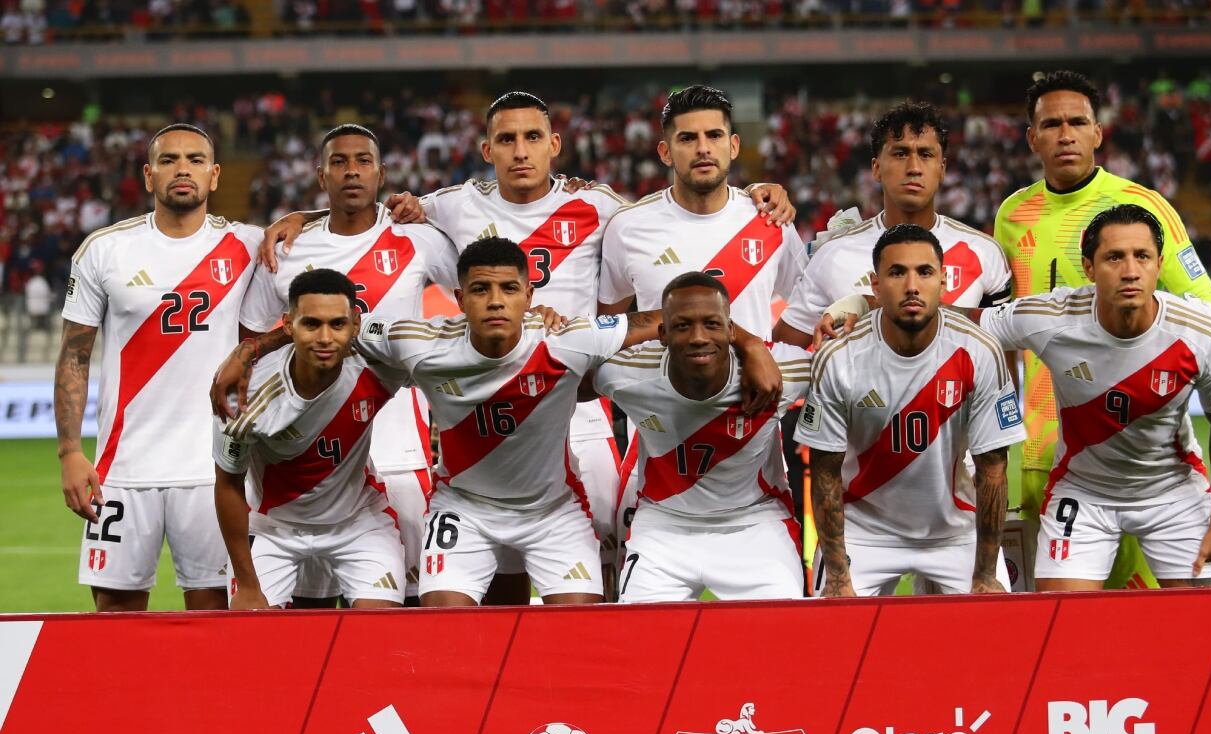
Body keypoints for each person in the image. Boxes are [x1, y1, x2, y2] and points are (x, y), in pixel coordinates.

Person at [259, 90, 798, 605]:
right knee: (499, 575)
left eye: (533, 137)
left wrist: (757, 190)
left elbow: (681, 209)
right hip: (491, 400)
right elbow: (364, 212)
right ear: (486, 149)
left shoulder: (601, 207)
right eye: (507, 139)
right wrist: (303, 221)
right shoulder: (453, 206)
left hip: (578, 408)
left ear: (554, 144)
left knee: (607, 567)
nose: (521, 151)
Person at [215, 237, 783, 606]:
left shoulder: (566, 339)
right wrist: (250, 350)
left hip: (553, 512)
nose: (495, 301)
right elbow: (330, 326)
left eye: (509, 289)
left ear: (529, 294)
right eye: (481, 290)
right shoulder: (417, 344)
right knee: (444, 635)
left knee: (583, 637)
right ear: (458, 297)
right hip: (463, 509)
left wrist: (750, 341)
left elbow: (677, 319)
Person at [993, 70, 1211, 590]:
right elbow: (1005, 327)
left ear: (1098, 132)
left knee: (1143, 606)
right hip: (1043, 447)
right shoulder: (1012, 215)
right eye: (1051, 124)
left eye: (1078, 122)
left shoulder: (1142, 207)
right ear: (1032, 138)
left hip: (1135, 447)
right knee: (1061, 617)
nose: (1066, 135)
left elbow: (1209, 310)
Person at [233, 123, 459, 607]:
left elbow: (477, 296)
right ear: (321, 175)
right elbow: (252, 341)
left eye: (363, 161)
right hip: (308, 452)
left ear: (382, 174)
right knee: (306, 611)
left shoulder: (417, 239)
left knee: (409, 602)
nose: (352, 171)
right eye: (339, 163)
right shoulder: (287, 248)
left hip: (400, 443)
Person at [980, 204, 1211, 589]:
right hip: (1082, 492)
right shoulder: (1051, 318)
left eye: (1142, 256)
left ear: (1159, 264)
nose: (1130, 270)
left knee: (1206, 621)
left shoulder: (1201, 333)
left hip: (1174, 493)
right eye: (1114, 257)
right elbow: (967, 325)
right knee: (1059, 621)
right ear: (1089, 267)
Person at [56, 123, 261, 612]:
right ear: (149, 176)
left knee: (215, 615)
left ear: (214, 175)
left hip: (215, 469)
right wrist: (69, 452)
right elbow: (75, 355)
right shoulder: (104, 250)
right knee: (115, 614)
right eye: (168, 160)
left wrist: (298, 218)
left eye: (195, 159)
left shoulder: (249, 245)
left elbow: (327, 231)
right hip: (121, 468)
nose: (182, 169)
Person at [598, 85, 809, 560]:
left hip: (750, 443)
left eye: (714, 136)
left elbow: (804, 316)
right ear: (664, 151)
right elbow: (610, 326)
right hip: (660, 442)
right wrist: (746, 342)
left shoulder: (770, 222)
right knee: (642, 599)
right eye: (688, 138)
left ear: (733, 145)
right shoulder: (629, 227)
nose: (702, 148)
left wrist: (769, 360)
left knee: (764, 602)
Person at [796, 224, 1023, 597]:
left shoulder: (980, 350)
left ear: (944, 282)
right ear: (875, 285)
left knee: (994, 628)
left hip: (954, 532)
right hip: (862, 533)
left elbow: (993, 469)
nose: (912, 286)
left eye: (925, 272)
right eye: (897, 273)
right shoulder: (839, 356)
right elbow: (824, 473)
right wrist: (837, 575)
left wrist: (984, 573)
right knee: (834, 630)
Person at [587, 272, 808, 602]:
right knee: (639, 633)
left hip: (755, 525)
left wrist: (850, 312)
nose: (698, 338)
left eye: (711, 324)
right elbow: (563, 374)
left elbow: (843, 377)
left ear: (731, 330)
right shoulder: (625, 373)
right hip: (663, 528)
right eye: (682, 326)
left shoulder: (782, 371)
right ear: (662, 333)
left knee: (778, 632)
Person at [215, 269, 407, 609]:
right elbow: (228, 485)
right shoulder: (246, 397)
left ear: (355, 324)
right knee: (252, 633)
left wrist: (249, 347)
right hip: (274, 529)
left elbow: (448, 346)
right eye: (311, 324)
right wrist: (246, 584)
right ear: (288, 325)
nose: (325, 338)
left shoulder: (378, 363)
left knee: (379, 630)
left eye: (337, 324)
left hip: (359, 522)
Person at [775, 101, 1012, 348]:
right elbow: (782, 355)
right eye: (900, 154)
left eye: (925, 154)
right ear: (876, 168)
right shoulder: (833, 255)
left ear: (942, 169)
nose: (914, 168)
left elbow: (1003, 354)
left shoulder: (985, 253)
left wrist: (869, 306)